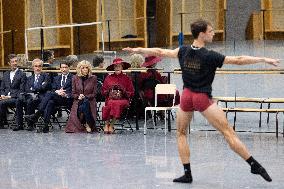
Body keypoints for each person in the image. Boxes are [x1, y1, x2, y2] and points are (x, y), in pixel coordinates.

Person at [123, 19, 278, 183]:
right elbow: (238, 59)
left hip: (187, 96)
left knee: (181, 134)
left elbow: (160, 51)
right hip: (201, 98)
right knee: (228, 133)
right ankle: (254, 164)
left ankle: (187, 173)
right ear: (202, 34)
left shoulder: (182, 51)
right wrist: (263, 59)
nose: (213, 33)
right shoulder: (210, 56)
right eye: (211, 31)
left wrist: (138, 49)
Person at [24, 60, 73, 133]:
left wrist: (66, 94)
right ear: (60, 69)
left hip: (67, 99)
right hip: (57, 98)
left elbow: (75, 90)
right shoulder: (56, 78)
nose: (64, 69)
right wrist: (57, 92)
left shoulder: (73, 78)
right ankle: (46, 126)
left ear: (69, 68)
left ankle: (36, 115)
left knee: (49, 93)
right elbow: (53, 89)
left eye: (66, 67)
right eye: (62, 67)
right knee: (50, 102)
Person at [15, 58, 51, 132]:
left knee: (30, 101)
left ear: (42, 67)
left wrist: (33, 89)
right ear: (33, 67)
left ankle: (30, 124)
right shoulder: (29, 78)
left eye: (39, 66)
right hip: (30, 96)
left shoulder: (46, 76)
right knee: (18, 101)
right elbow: (27, 89)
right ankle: (19, 124)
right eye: (36, 66)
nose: (37, 68)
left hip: (41, 97)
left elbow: (44, 88)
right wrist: (38, 88)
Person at [101, 58, 134, 134]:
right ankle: (107, 124)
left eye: (119, 66)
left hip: (123, 99)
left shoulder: (127, 78)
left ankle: (111, 124)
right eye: (115, 66)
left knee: (114, 103)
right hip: (110, 99)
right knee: (110, 103)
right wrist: (110, 90)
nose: (117, 68)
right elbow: (103, 92)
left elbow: (131, 93)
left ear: (122, 67)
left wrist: (123, 90)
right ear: (113, 68)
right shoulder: (108, 78)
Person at [65, 60, 97, 133]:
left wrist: (85, 96)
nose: (85, 69)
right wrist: (78, 96)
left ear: (89, 69)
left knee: (85, 102)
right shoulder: (75, 78)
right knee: (83, 104)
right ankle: (89, 123)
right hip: (78, 101)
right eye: (83, 68)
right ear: (79, 69)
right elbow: (73, 93)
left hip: (90, 101)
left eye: (86, 68)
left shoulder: (93, 78)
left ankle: (87, 123)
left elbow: (94, 94)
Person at [0, 54, 26, 128]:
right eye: (12, 62)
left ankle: (1, 123)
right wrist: (2, 95)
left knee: (1, 103)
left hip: (15, 98)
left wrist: (9, 96)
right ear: (9, 63)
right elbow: (2, 88)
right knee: (1, 101)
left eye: (16, 61)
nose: (15, 63)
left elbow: (21, 90)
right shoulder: (5, 74)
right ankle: (2, 122)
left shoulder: (22, 74)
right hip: (4, 96)